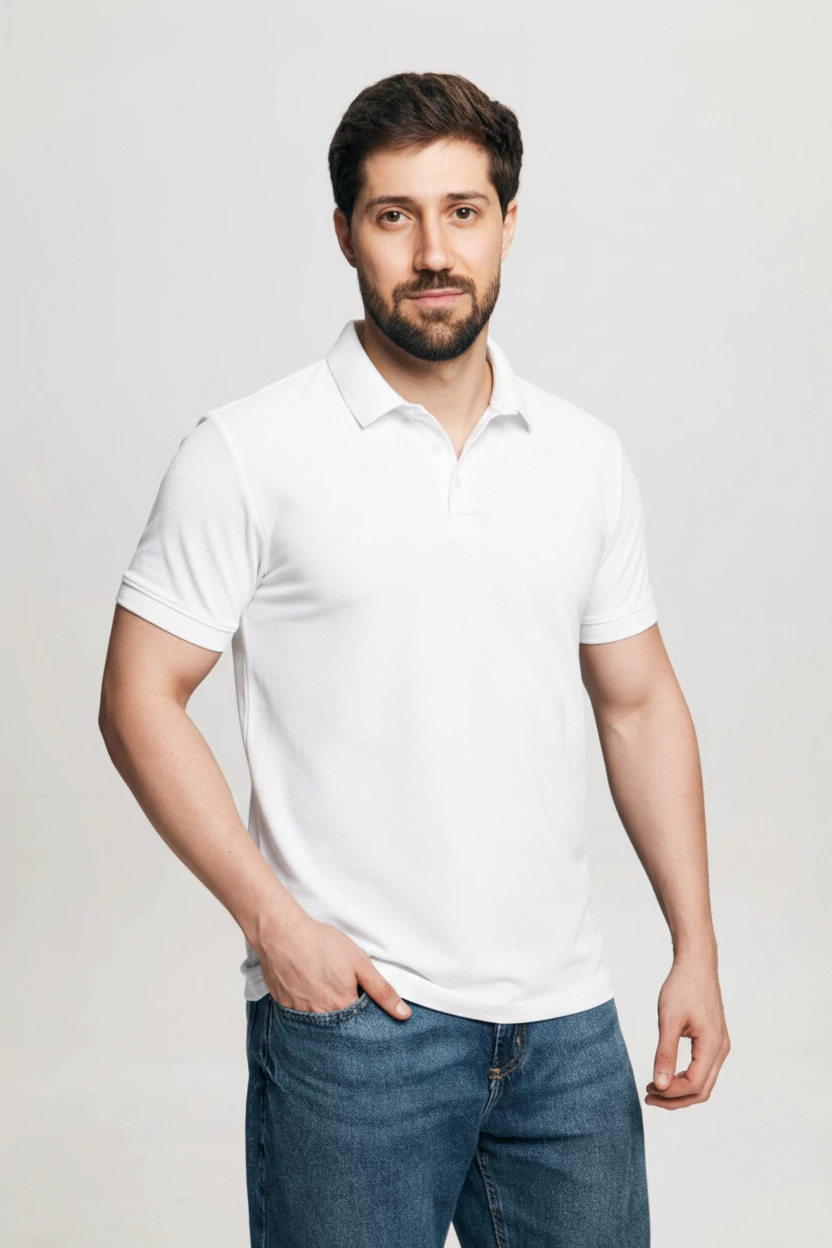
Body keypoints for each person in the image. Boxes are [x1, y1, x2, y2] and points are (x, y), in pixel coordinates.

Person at [99, 70, 729, 1248]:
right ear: (345, 231)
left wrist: (694, 949)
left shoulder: (582, 456)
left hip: (566, 1031)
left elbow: (638, 705)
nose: (433, 252)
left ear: (507, 224)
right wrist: (276, 930)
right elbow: (139, 696)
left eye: (462, 212)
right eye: (394, 215)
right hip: (356, 1026)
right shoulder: (248, 452)